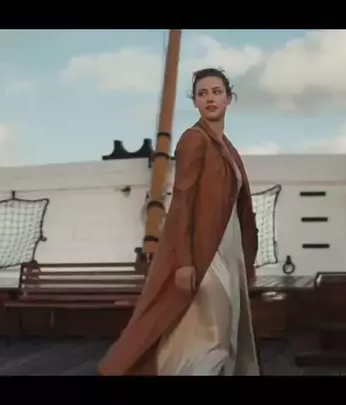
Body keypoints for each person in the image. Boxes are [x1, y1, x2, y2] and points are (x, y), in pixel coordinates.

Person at [98, 68, 261, 376]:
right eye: (202, 93)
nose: (210, 98)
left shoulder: (228, 148)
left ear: (228, 98)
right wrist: (184, 262)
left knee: (224, 334)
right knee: (214, 338)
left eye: (216, 92)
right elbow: (182, 202)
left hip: (231, 255)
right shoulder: (193, 140)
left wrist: (248, 262)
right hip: (207, 255)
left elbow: (241, 209)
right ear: (195, 102)